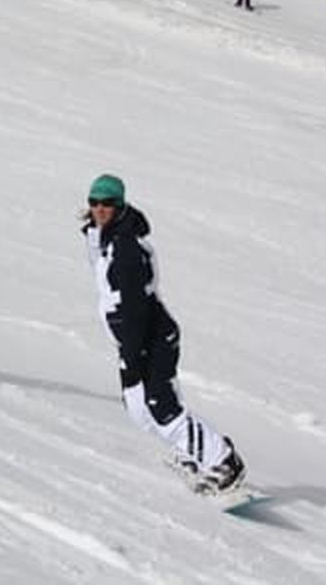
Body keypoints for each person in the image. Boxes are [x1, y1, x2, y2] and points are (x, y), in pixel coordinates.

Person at [81, 174, 245, 494]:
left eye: (108, 203)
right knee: (139, 409)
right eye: (94, 202)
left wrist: (132, 351)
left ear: (120, 204)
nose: (100, 209)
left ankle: (224, 461)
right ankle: (194, 454)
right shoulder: (102, 236)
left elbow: (136, 306)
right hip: (130, 336)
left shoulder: (125, 245)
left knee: (161, 405)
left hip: (149, 336)